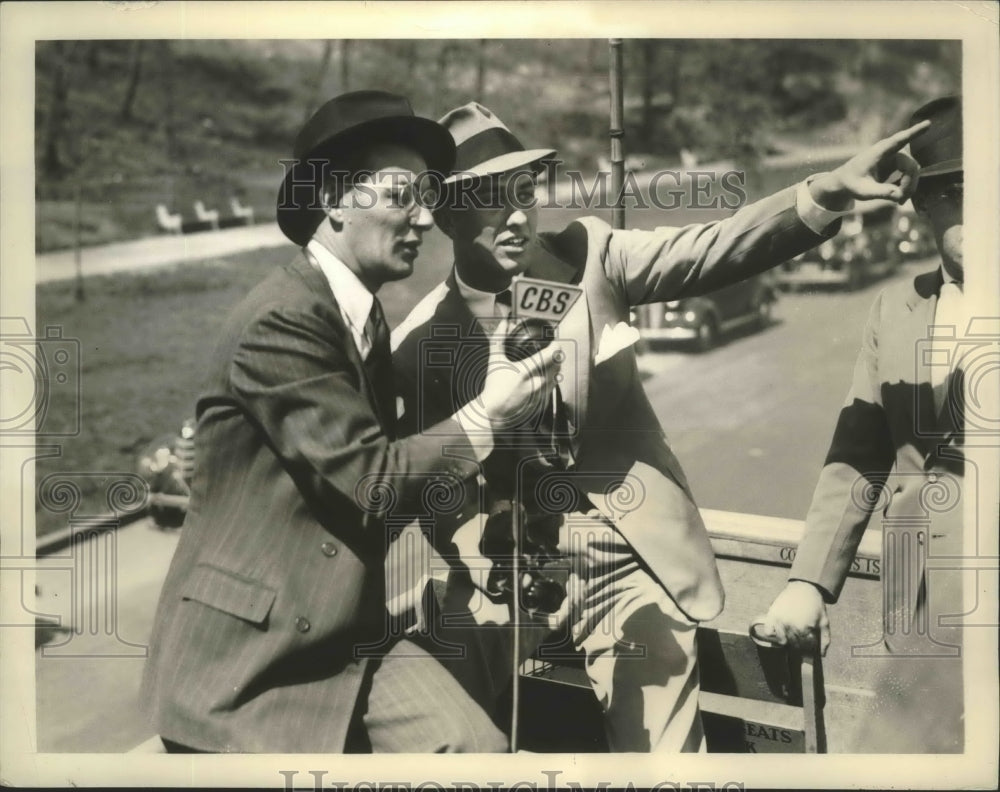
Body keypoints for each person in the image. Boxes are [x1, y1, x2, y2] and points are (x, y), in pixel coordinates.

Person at [391, 101, 929, 752]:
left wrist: (826, 191)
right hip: (501, 581)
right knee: (450, 741)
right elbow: (427, 489)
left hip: (624, 565)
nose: (515, 216)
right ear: (446, 215)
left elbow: (712, 248)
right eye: (487, 199)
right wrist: (511, 561)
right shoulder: (419, 344)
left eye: (524, 192)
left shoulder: (591, 256)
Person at [140, 90, 562, 754]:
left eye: (429, 195)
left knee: (471, 748)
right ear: (334, 198)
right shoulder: (285, 316)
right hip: (248, 666)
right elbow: (373, 479)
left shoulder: (364, 320)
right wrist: (489, 412)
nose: (425, 217)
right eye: (403, 196)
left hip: (342, 638)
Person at [754, 95, 966, 753]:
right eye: (956, 195)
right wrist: (808, 582)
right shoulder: (896, 310)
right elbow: (859, 452)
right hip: (917, 595)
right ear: (925, 206)